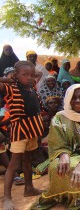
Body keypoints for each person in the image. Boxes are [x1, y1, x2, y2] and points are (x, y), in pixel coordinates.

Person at [0, 61, 45, 210]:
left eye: (31, 75)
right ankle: (7, 199)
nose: (30, 77)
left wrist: (30, 74)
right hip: (20, 131)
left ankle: (29, 188)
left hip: (33, 129)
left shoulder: (32, 86)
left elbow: (38, 73)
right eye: (24, 75)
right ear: (16, 75)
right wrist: (8, 78)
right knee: (14, 164)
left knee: (28, 159)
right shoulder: (11, 88)